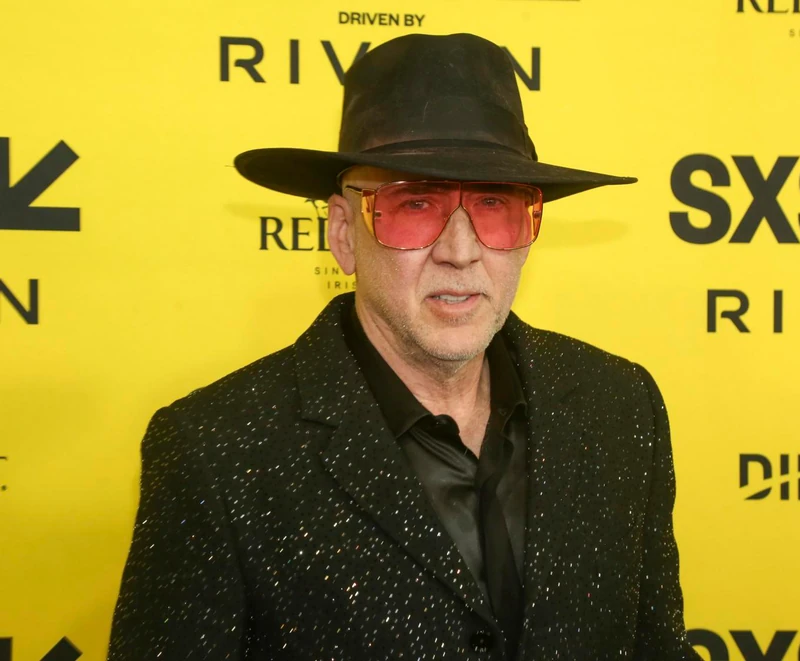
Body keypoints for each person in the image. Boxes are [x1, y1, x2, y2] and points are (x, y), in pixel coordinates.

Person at [107, 32, 702, 661]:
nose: (460, 251)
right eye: (415, 205)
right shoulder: (215, 452)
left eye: (494, 206)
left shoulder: (620, 406)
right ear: (343, 234)